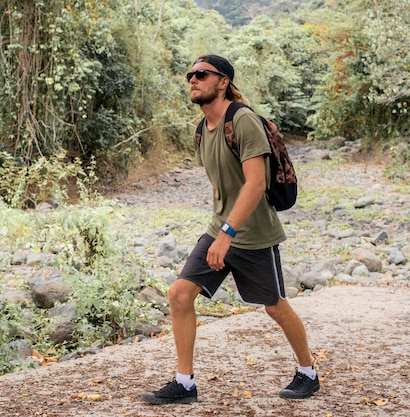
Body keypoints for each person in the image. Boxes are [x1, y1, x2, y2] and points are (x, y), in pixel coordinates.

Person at [141, 54, 320, 405]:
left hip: (253, 234)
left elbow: (255, 184)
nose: (193, 79)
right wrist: (218, 230)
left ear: (222, 82)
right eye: (190, 74)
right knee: (179, 294)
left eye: (202, 74)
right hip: (220, 229)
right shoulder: (201, 131)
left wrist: (227, 235)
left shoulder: (243, 120)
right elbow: (219, 183)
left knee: (275, 306)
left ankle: (308, 372)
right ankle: (184, 383)